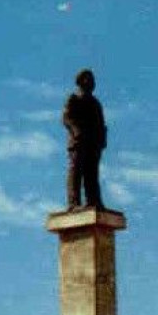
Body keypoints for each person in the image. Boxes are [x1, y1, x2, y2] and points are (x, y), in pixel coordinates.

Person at [63, 67, 108, 210]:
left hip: (93, 144)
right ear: (81, 81)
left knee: (92, 173)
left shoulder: (95, 104)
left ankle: (94, 200)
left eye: (93, 80)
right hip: (78, 142)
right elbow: (66, 118)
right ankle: (73, 203)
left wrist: (102, 140)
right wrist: (76, 131)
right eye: (88, 79)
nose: (92, 82)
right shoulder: (74, 99)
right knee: (76, 172)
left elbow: (101, 124)